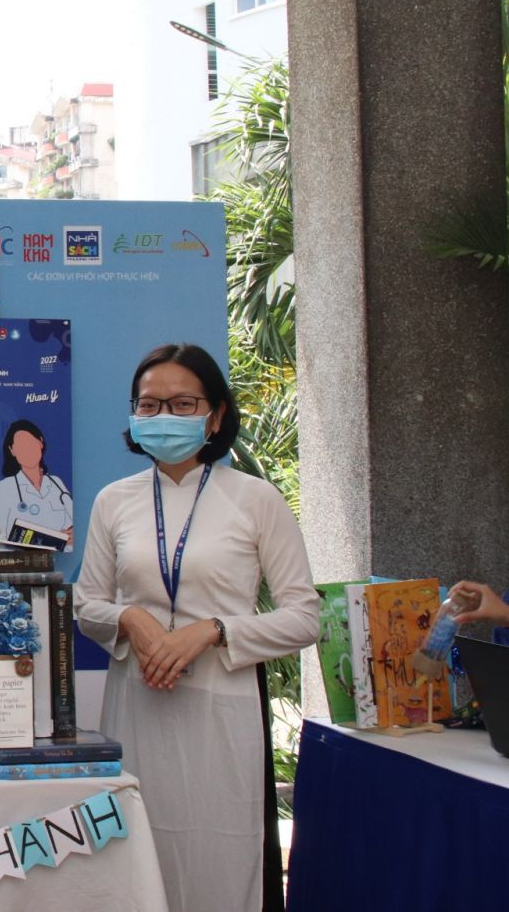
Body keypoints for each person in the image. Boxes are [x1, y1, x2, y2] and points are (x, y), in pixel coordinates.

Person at [75, 343, 318, 912]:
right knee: (135, 853)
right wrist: (131, 618)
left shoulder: (255, 499)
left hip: (221, 706)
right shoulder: (115, 501)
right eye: (149, 405)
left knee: (221, 858)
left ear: (215, 415)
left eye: (182, 404)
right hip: (137, 704)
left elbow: (304, 616)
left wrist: (213, 630)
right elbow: (86, 605)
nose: (164, 417)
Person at [0, 419, 74, 548]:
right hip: (18, 561)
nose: (27, 450)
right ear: (12, 450)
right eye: (21, 446)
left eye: (30, 443)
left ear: (40, 442)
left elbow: (74, 527)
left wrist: (71, 536)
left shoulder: (57, 484)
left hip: (59, 559)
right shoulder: (1, 489)